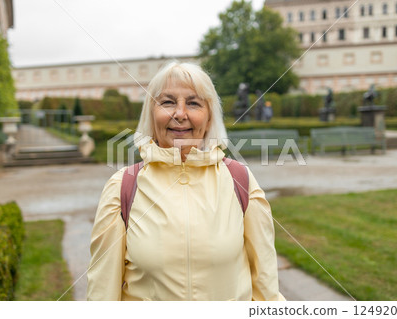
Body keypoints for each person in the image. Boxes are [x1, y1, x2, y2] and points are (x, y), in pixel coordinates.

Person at [87, 61, 285, 301]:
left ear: (209, 117)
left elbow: (266, 291)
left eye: (193, 103)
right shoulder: (122, 187)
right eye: (168, 102)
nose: (179, 114)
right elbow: (102, 295)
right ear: (151, 113)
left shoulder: (240, 180)